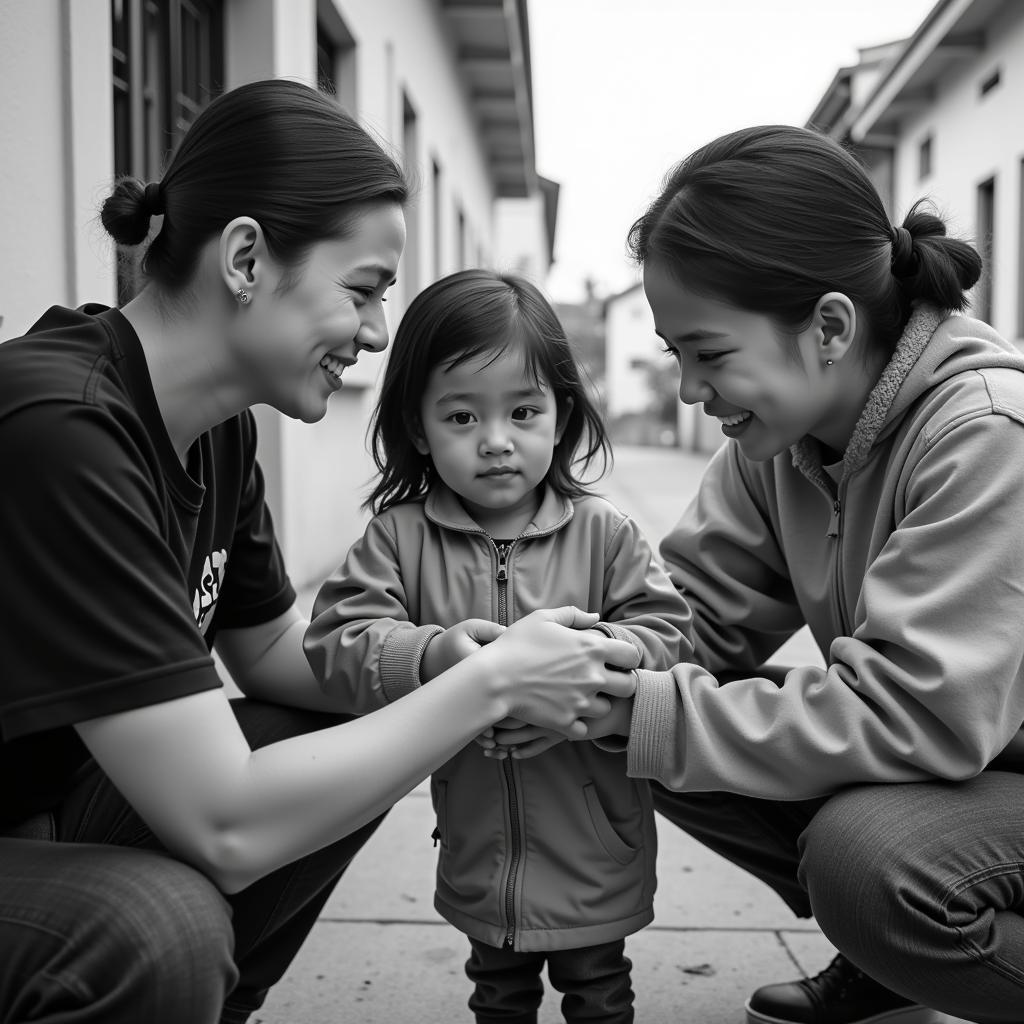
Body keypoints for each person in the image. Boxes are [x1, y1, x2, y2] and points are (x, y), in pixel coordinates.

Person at [0, 80, 641, 1024]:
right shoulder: (62, 428)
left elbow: (264, 652)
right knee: (157, 929)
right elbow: (223, 822)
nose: (380, 333)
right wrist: (493, 684)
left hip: (51, 809)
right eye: (364, 290)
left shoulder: (215, 432)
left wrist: (435, 660)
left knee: (362, 729)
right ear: (248, 257)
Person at [487, 124, 1024, 1024]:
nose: (693, 390)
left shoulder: (986, 435)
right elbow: (688, 622)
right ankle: (891, 962)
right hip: (974, 767)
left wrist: (634, 703)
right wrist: (581, 658)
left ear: (828, 326)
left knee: (873, 864)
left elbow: (921, 714)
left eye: (711, 352)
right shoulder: (779, 440)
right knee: (646, 715)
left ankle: (900, 938)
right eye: (677, 356)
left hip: (974, 760)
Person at [304, 268, 693, 1024]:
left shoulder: (603, 533)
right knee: (499, 992)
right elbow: (338, 641)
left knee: (601, 991)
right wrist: (432, 659)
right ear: (418, 427)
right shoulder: (399, 538)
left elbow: (669, 637)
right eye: (460, 417)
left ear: (560, 415)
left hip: (593, 837)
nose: (495, 443)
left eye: (522, 411)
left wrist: (591, 666)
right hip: (483, 842)